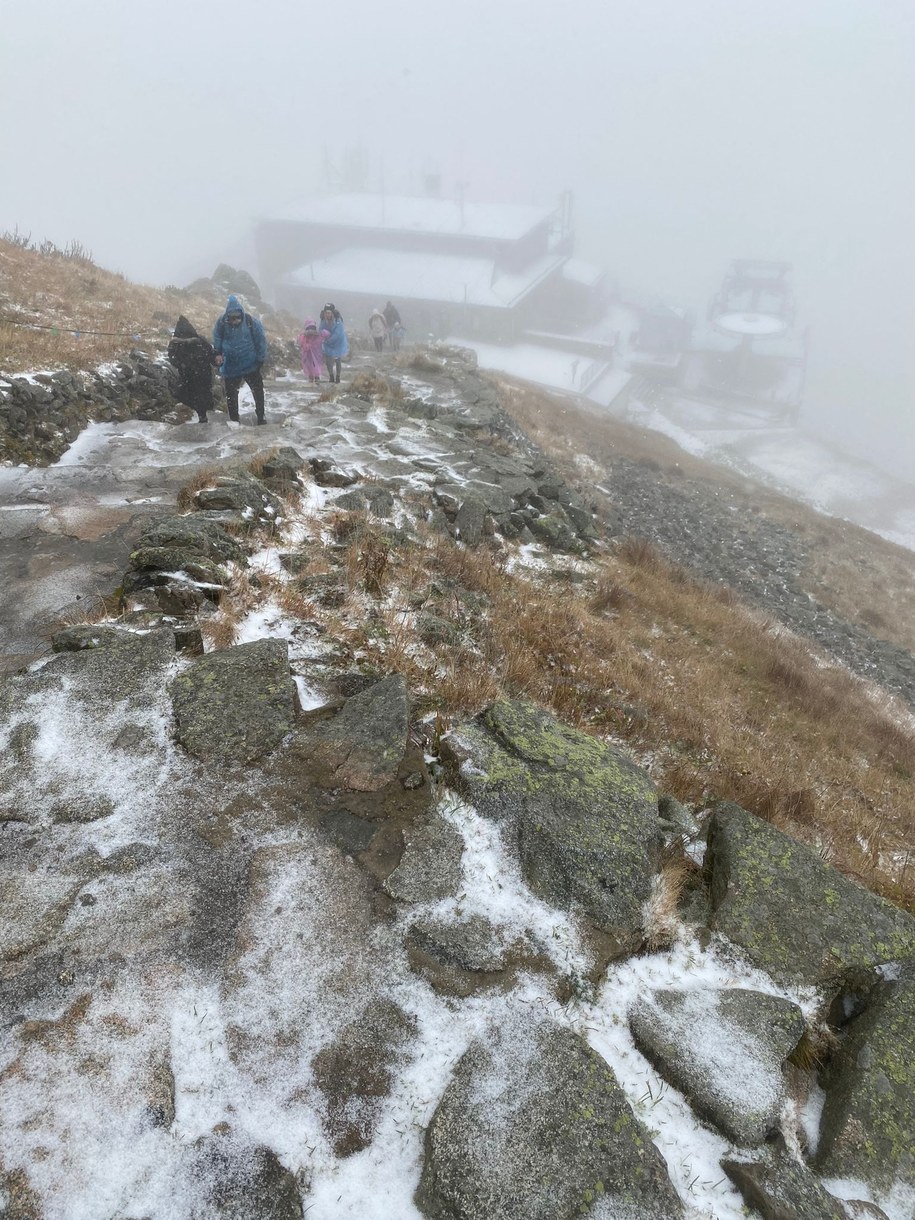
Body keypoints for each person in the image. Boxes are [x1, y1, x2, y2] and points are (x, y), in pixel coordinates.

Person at [212, 294, 268, 424]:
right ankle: (234, 420)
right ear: (227, 316)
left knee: (258, 391)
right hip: (231, 366)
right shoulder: (221, 323)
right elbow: (217, 339)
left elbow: (261, 341)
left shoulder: (250, 322)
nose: (234, 320)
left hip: (251, 363)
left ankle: (261, 416)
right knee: (231, 395)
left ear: (241, 314)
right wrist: (217, 354)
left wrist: (260, 359)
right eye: (231, 318)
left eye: (237, 317)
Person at [167, 315, 217, 423]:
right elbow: (211, 355)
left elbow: (172, 358)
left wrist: (182, 365)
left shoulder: (176, 344)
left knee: (197, 397)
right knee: (200, 397)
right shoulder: (199, 342)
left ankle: (201, 417)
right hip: (196, 375)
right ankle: (202, 417)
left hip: (194, 376)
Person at [320, 303, 348, 383]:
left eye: (329, 313)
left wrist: (329, 339)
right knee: (328, 360)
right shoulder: (323, 320)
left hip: (338, 343)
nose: (327, 315)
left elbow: (338, 333)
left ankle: (338, 376)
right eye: (326, 313)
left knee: (338, 359)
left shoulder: (338, 321)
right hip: (327, 342)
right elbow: (320, 329)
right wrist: (323, 334)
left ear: (332, 313)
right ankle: (331, 376)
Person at [297, 318, 324, 384]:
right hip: (313, 354)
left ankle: (312, 378)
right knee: (314, 366)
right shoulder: (316, 335)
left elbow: (301, 344)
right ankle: (315, 378)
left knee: (310, 366)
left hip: (308, 354)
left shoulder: (304, 336)